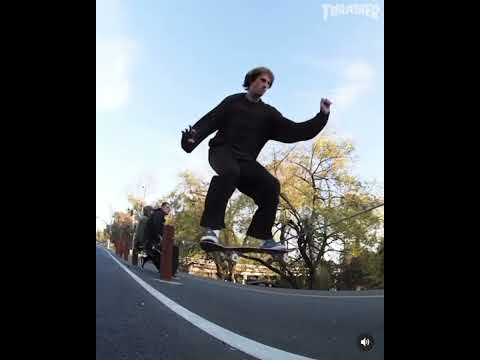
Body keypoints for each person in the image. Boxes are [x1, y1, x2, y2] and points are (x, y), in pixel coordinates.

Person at [181, 66, 332, 250]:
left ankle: (264, 238)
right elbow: (210, 120)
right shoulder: (232, 102)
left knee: (271, 186)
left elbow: (296, 130)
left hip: (246, 162)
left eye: (268, 84)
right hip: (221, 151)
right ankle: (212, 230)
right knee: (229, 172)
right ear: (251, 81)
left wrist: (322, 116)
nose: (265, 85)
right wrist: (191, 140)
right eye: (262, 80)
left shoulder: (268, 114)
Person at [143, 202, 179, 275]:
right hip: (152, 242)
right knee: (174, 249)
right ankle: (171, 271)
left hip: (151, 242)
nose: (169, 209)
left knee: (170, 248)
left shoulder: (157, 214)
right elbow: (156, 229)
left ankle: (167, 270)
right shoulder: (159, 214)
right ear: (162, 207)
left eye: (170, 208)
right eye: (167, 207)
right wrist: (160, 239)